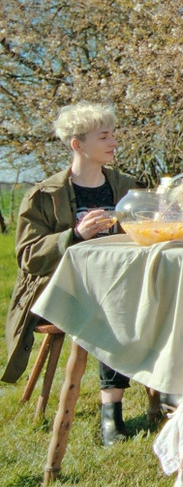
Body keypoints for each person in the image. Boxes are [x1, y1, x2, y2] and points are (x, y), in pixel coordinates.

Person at [2, 103, 140, 445]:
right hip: (61, 291)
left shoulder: (126, 187)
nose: (113, 142)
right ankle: (111, 415)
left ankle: (173, 397)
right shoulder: (45, 195)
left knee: (141, 298)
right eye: (103, 136)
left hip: (120, 282)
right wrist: (75, 235)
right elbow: (29, 256)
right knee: (115, 308)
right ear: (77, 144)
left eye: (113, 134)